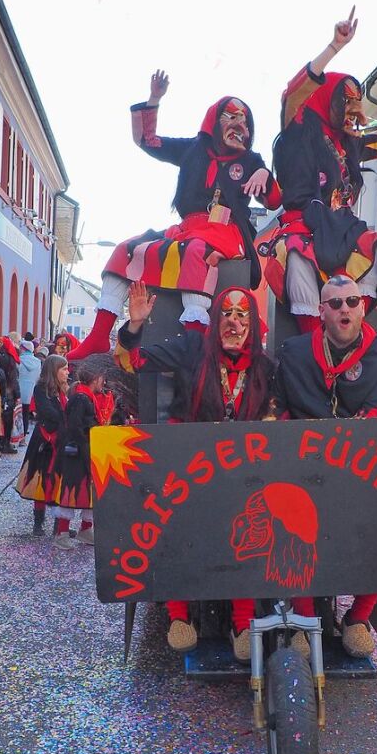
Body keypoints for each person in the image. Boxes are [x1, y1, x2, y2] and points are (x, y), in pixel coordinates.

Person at [68, 72, 280, 361]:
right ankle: (98, 335)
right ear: (213, 121)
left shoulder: (251, 160)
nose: (239, 125)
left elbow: (276, 200)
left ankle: (195, 337)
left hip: (226, 230)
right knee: (127, 250)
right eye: (231, 117)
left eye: (244, 121)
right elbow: (147, 140)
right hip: (187, 228)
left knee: (195, 252)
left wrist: (265, 174)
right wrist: (155, 99)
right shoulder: (193, 149)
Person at [116, 281, 276, 661]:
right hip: (188, 469)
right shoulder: (192, 349)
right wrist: (135, 325)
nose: (234, 322)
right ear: (214, 319)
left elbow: (277, 414)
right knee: (174, 526)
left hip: (243, 475)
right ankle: (178, 616)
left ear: (252, 324)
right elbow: (130, 361)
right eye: (226, 313)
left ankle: (241, 621)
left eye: (242, 315)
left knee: (251, 528)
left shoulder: (266, 368)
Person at [260, 10, 377, 332]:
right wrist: (334, 46)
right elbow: (293, 95)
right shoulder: (299, 132)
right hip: (303, 225)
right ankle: (311, 334)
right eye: (346, 101)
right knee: (295, 252)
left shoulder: (350, 143)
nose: (355, 111)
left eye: (357, 101)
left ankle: (353, 331)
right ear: (327, 101)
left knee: (375, 244)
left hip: (344, 229)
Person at [273, 275, 377, 658]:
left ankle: (358, 617)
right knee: (293, 531)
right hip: (302, 465)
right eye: (335, 303)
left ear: (363, 307)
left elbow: (376, 413)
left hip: (361, 466)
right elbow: (280, 409)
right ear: (321, 311)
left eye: (352, 301)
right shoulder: (294, 352)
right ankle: (303, 616)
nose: (344, 308)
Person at [15, 355, 68, 537]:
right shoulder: (41, 388)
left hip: (59, 440)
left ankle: (58, 524)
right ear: (54, 370)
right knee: (40, 480)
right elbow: (48, 412)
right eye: (64, 369)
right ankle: (38, 523)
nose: (67, 372)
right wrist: (66, 418)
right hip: (45, 441)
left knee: (57, 481)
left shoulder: (64, 390)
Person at [52, 366, 103, 548]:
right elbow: (74, 426)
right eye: (101, 378)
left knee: (86, 492)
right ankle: (61, 533)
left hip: (84, 451)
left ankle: (85, 530)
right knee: (71, 491)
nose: (102, 382)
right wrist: (86, 442)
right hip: (77, 454)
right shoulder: (81, 398)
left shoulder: (85, 396)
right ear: (95, 378)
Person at [0, 335, 21, 453]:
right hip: (8, 392)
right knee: (8, 420)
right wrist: (17, 394)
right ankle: (5, 444)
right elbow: (13, 378)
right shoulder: (10, 359)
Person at [17, 338, 42, 437]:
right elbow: (38, 377)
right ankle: (23, 437)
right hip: (30, 392)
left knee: (17, 415)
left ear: (23, 349)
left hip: (18, 391)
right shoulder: (38, 362)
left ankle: (16, 436)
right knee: (26, 414)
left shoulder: (18, 360)